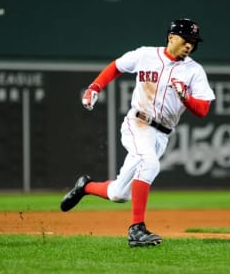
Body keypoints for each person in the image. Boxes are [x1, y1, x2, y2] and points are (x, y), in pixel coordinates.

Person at [60, 18, 216, 247]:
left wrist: (186, 98)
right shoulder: (146, 55)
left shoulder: (194, 71)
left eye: (194, 42)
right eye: (186, 39)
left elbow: (203, 110)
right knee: (150, 164)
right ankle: (136, 229)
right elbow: (116, 66)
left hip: (162, 135)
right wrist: (94, 87)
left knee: (119, 194)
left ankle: (86, 186)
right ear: (171, 37)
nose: (190, 45)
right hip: (138, 123)